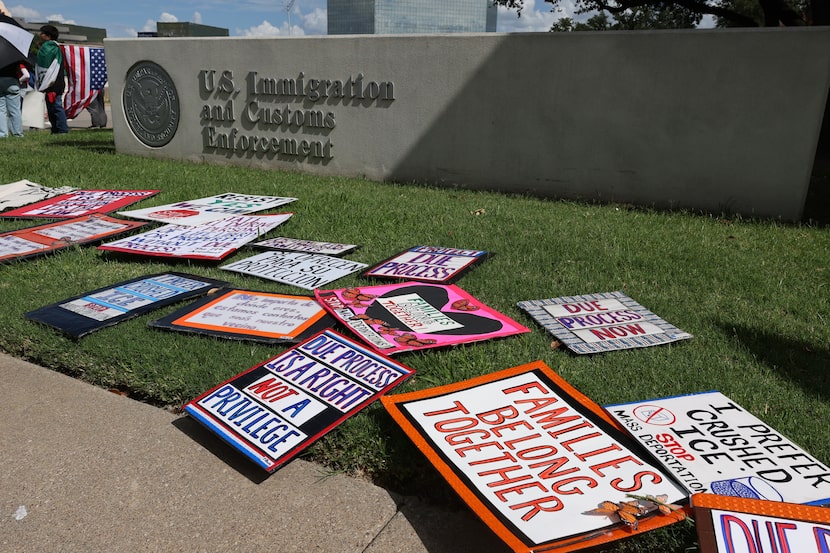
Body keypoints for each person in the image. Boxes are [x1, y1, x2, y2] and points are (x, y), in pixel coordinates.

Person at [36, 24, 68, 134]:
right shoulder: (54, 47)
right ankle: (55, 129)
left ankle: (62, 129)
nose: (40, 35)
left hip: (55, 82)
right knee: (51, 108)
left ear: (48, 36)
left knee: (56, 106)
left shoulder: (51, 48)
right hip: (50, 82)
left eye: (42, 33)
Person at [0, 62, 25, 138]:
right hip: (12, 80)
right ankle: (17, 133)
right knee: (15, 110)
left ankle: (2, 134)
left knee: (1, 109)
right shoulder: (14, 55)